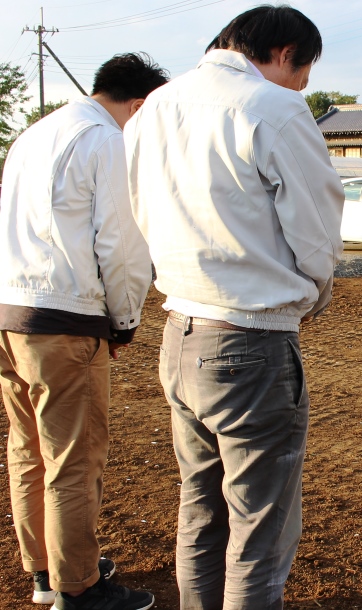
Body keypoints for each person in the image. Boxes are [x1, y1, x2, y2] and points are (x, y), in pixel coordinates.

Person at [124, 6, 343, 609]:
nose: (301, 86)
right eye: (302, 72)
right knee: (259, 530)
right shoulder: (271, 106)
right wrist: (311, 294)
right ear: (284, 51)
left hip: (181, 329)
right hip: (252, 339)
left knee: (201, 508)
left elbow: (141, 212)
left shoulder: (156, 107)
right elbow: (319, 230)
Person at [0, 53, 167, 609]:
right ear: (140, 104)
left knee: (28, 450)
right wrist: (124, 322)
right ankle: (80, 589)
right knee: (74, 458)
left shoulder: (33, 134)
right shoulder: (108, 141)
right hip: (63, 317)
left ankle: (47, 570)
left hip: (8, 313)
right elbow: (121, 246)